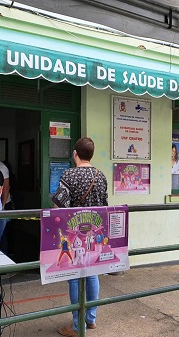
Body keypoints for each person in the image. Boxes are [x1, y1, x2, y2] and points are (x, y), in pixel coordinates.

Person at [52, 137, 108, 337]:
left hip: (74, 233)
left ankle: (77, 326)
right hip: (94, 233)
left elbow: (59, 204)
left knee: (75, 279)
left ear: (75, 153)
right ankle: (91, 319)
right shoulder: (100, 176)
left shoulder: (69, 175)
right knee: (92, 273)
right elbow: (105, 206)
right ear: (91, 155)